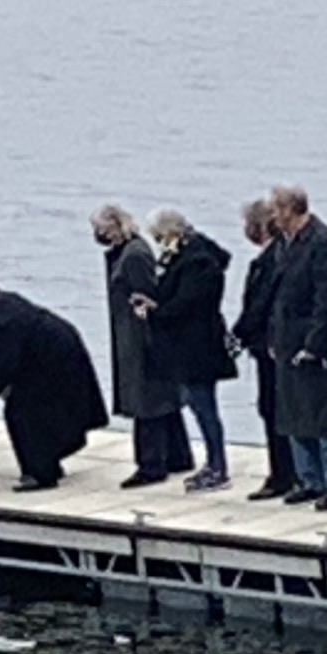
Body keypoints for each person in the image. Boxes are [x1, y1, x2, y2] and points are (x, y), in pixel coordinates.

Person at [0, 284, 110, 491]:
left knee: (21, 415)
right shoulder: (3, 302)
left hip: (48, 362)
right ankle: (48, 463)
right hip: (59, 346)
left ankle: (40, 474)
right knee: (46, 412)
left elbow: (3, 369)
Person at [266, 186, 327, 510]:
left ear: (290, 208)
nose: (273, 216)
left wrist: (314, 344)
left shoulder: (322, 243)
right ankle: (309, 479)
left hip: (318, 341)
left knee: (325, 412)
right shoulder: (285, 244)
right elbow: (278, 296)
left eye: (276, 209)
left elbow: (325, 299)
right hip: (287, 338)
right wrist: (274, 337)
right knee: (293, 410)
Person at [138, 208, 239, 491]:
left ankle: (218, 467)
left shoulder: (198, 263)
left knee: (205, 407)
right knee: (199, 406)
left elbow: (186, 304)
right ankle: (213, 464)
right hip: (192, 346)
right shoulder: (188, 257)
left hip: (199, 349)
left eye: (159, 236)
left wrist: (154, 313)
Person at [94, 205, 191, 488]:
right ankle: (177, 455)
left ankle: (151, 464)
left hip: (140, 338)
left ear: (114, 226)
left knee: (145, 399)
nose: (98, 235)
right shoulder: (129, 251)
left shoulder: (134, 255)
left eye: (101, 229)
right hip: (134, 335)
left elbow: (147, 294)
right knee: (161, 399)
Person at [230, 199, 293, 499]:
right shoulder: (274, 256)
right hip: (265, 344)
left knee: (274, 408)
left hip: (271, 345)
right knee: (271, 408)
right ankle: (284, 471)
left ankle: (283, 474)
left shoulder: (274, 259)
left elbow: (260, 303)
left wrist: (241, 331)